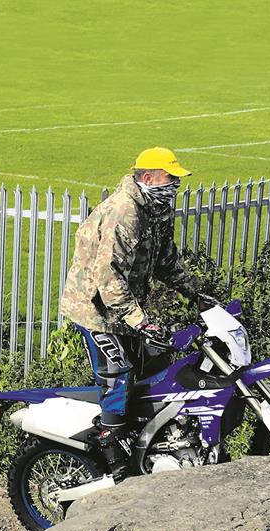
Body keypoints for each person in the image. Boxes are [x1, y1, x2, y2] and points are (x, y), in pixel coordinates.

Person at [59, 147, 217, 480]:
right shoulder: (124, 212)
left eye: (176, 179)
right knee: (120, 371)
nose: (174, 184)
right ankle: (111, 446)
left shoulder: (157, 209)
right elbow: (108, 278)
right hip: (95, 308)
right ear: (147, 178)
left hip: (124, 305)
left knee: (155, 367)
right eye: (169, 178)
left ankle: (146, 440)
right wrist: (140, 321)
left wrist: (198, 293)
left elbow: (166, 261)